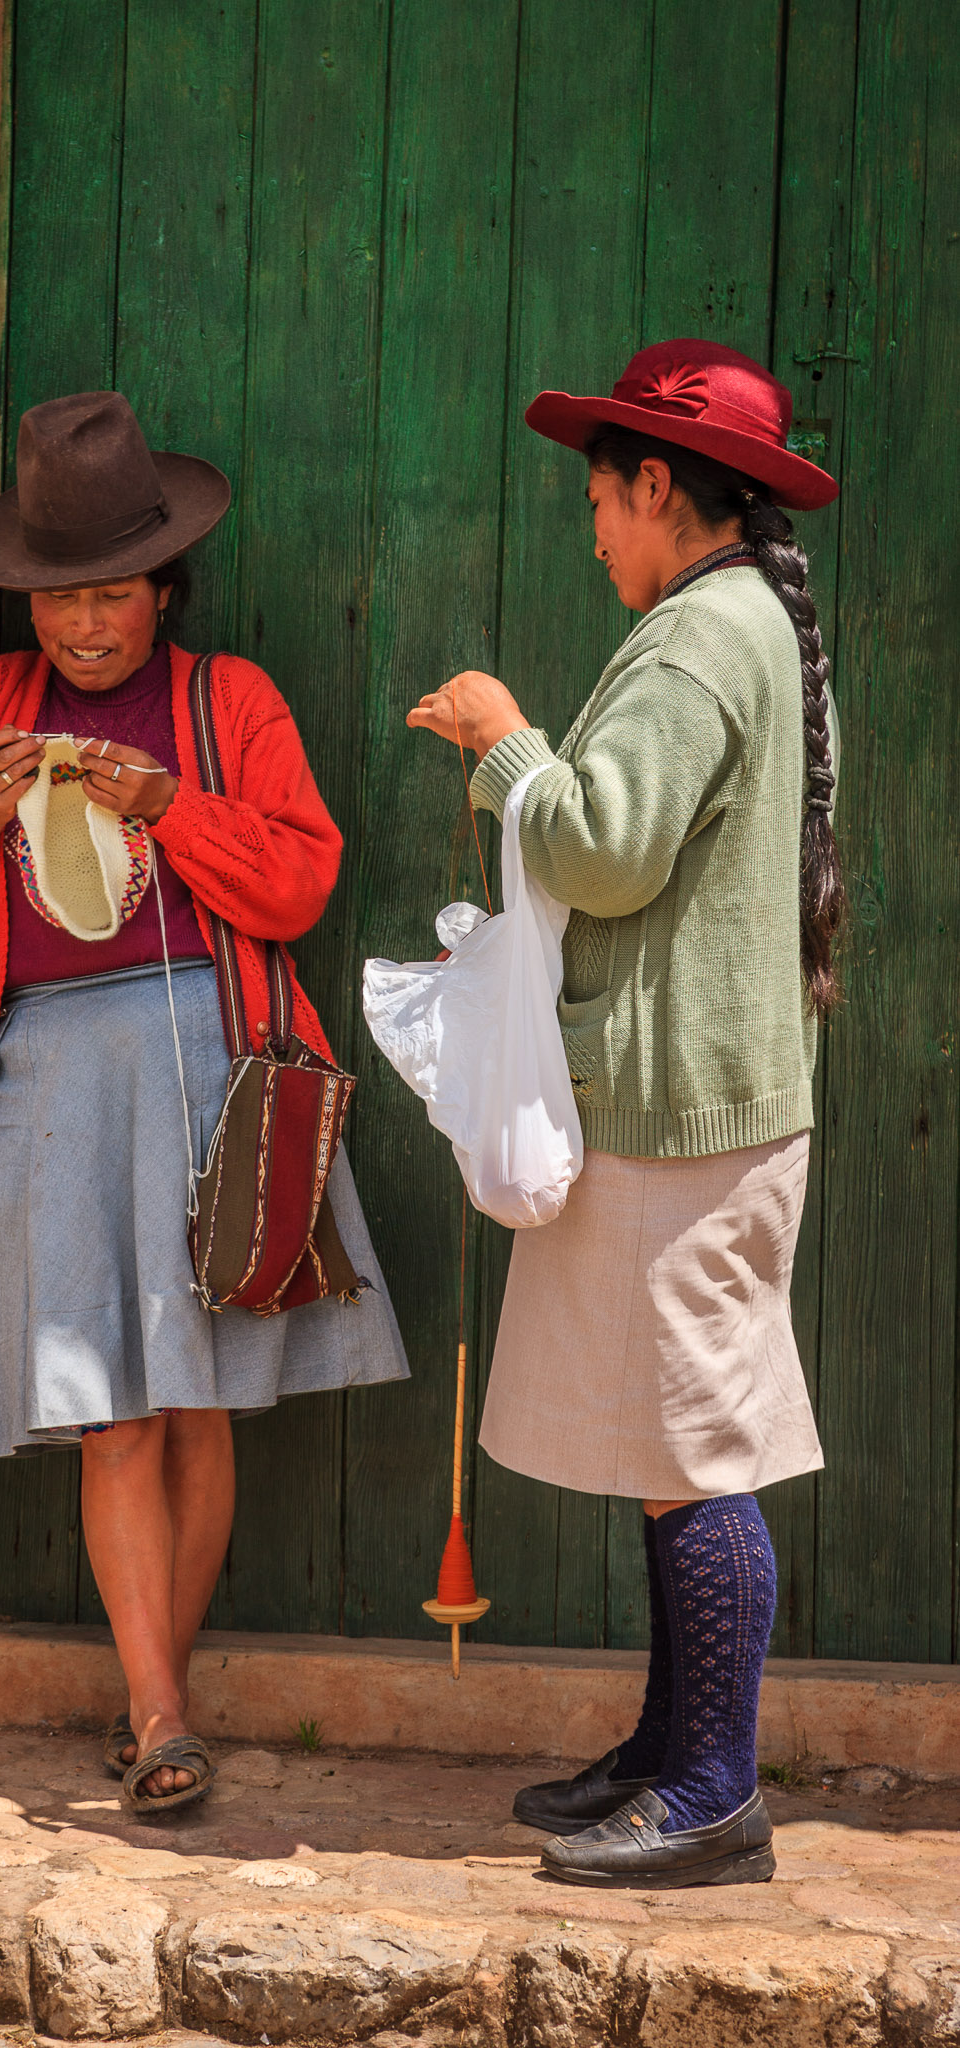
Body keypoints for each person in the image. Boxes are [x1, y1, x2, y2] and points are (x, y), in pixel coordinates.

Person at [0, 390, 407, 1815]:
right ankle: (162, 1715)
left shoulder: (232, 704)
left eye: (112, 594)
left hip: (211, 1070)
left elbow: (297, 884)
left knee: (202, 1403)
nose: (86, 628)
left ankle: (153, 1694)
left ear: (165, 585)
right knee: (113, 1414)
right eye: (55, 602)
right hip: (48, 1078)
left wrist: (171, 806)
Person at [407, 339, 842, 1888]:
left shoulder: (695, 639)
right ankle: (670, 1755)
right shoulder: (739, 623)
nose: (591, 530)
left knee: (693, 1454)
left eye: (601, 499)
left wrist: (503, 735)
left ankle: (716, 1792)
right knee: (673, 1440)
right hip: (693, 1104)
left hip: (686, 1119)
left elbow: (603, 855)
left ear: (661, 486)